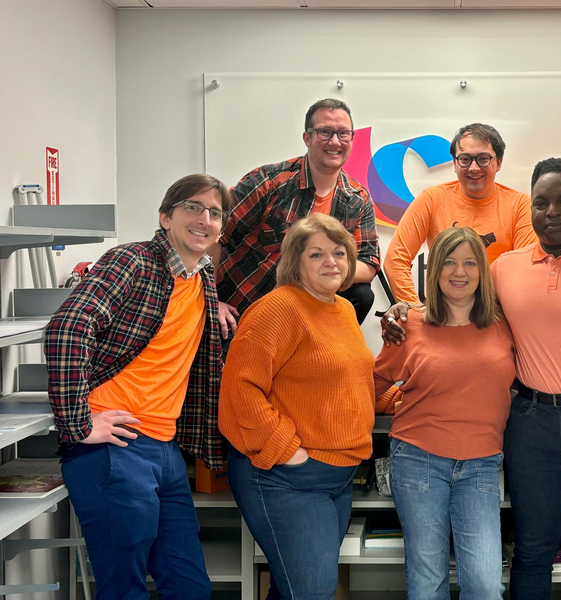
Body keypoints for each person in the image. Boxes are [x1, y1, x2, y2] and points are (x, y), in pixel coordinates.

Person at [382, 158, 561, 600]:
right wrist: (404, 310)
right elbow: (458, 308)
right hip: (532, 423)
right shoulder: (503, 270)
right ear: (531, 210)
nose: (552, 212)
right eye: (541, 203)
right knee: (533, 553)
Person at [44, 174, 230, 600]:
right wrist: (79, 425)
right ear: (166, 216)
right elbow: (68, 328)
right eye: (193, 207)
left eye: (216, 213)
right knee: (123, 590)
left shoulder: (202, 278)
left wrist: (216, 309)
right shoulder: (134, 260)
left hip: (164, 449)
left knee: (189, 587)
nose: (205, 219)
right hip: (114, 447)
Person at [219, 214, 396, 600]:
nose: (331, 261)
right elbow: (239, 391)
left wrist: (400, 398)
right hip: (287, 477)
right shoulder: (277, 309)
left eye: (338, 252)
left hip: (338, 476)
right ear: (295, 263)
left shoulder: (343, 310)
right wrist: (288, 451)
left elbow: (352, 383)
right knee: (312, 591)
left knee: (294, 588)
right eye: (316, 254)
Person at [374, 227, 515, 600]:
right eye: (449, 262)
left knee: (485, 585)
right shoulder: (408, 324)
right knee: (427, 579)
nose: (459, 272)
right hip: (419, 459)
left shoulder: (505, 324)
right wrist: (396, 397)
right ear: (434, 270)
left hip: (481, 465)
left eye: (470, 262)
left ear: (482, 272)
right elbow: (372, 386)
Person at [212, 98, 380, 335]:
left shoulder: (357, 198)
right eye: (325, 132)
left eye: (343, 133)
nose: (335, 141)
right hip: (240, 313)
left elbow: (368, 264)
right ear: (307, 138)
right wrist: (210, 301)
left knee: (361, 294)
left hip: (303, 315)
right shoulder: (268, 181)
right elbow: (214, 238)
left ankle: (315, 351)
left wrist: (314, 269)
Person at [383, 123, 536, 304]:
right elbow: (395, 259)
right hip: (444, 312)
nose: (473, 168)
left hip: (498, 315)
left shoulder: (520, 205)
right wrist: (413, 310)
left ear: (499, 162)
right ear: (455, 163)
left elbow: (526, 269)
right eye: (464, 159)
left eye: (483, 159)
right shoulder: (432, 199)